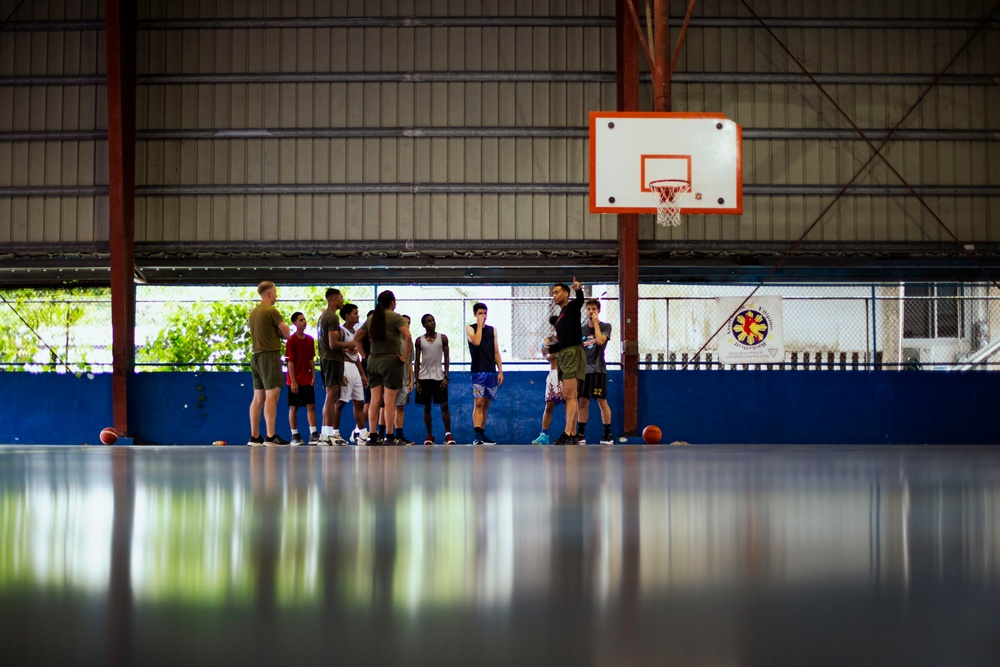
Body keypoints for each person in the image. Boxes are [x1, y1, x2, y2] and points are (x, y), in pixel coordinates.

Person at [354, 291, 412, 446]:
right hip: (390, 361)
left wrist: (365, 355)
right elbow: (408, 337)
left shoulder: (372, 318)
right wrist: (405, 357)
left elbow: (356, 338)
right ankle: (389, 436)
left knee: (375, 400)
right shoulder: (396, 317)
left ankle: (372, 435)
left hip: (373, 361)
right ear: (392, 302)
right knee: (389, 401)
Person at [248, 280, 292, 446]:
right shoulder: (271, 310)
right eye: (275, 292)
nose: (276, 295)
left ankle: (254, 436)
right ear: (269, 294)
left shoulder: (253, 312)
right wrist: (280, 334)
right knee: (272, 395)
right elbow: (287, 333)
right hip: (269, 356)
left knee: (258, 397)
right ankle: (270, 435)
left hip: (256, 357)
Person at [545, 278, 585, 445]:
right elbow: (564, 340)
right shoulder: (561, 316)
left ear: (566, 293)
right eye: (553, 293)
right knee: (571, 395)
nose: (554, 295)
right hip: (564, 353)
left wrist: (579, 290)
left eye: (557, 292)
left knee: (568, 395)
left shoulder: (571, 308)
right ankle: (574, 433)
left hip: (572, 354)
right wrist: (550, 350)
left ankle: (567, 433)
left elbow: (580, 301)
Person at [317, 288, 354, 446]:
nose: (342, 300)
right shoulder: (332, 317)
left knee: (330, 395)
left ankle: (326, 434)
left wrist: (345, 348)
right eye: (340, 297)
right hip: (332, 359)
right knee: (331, 395)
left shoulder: (323, 316)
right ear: (332, 299)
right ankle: (327, 433)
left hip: (328, 358)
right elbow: (333, 344)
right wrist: (351, 343)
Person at [414, 313, 455, 445]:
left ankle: (448, 435)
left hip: (438, 377)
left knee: (444, 405)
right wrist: (416, 381)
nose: (432, 323)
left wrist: (446, 376)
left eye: (433, 320)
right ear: (424, 325)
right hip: (424, 377)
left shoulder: (442, 338)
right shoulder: (419, 341)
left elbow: (447, 357)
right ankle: (430, 435)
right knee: (427, 407)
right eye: (428, 321)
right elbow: (416, 361)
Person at [466, 302, 503, 445]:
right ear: (475, 314)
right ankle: (477, 436)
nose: (483, 316)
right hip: (477, 371)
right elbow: (476, 341)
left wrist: (500, 371)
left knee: (486, 403)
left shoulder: (493, 330)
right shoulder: (470, 328)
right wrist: (480, 325)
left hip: (491, 371)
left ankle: (482, 432)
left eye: (485, 313)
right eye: (480, 313)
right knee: (478, 402)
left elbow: (496, 352)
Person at [579, 298, 614, 445]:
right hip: (584, 371)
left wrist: (596, 324)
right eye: (589, 309)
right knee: (583, 402)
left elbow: (600, 341)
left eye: (594, 309)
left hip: (598, 370)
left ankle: (607, 435)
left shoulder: (606, 326)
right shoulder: (581, 329)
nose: (591, 311)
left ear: (598, 311)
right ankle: (580, 434)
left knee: (601, 401)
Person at [285, 311, 319, 445]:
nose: (303, 322)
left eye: (304, 319)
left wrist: (313, 375)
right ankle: (295, 435)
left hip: (306, 379)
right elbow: (290, 362)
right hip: (295, 380)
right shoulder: (291, 341)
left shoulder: (310, 340)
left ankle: (313, 433)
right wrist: (293, 381)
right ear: (294, 323)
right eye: (300, 320)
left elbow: (311, 359)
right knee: (294, 407)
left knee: (311, 405)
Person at [338, 303, 368, 446]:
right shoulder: (341, 331)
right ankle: (334, 432)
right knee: (341, 402)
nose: (358, 315)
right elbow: (332, 349)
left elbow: (357, 358)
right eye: (355, 313)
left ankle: (362, 434)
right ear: (347, 316)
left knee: (359, 403)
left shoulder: (356, 333)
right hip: (344, 367)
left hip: (355, 368)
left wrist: (363, 375)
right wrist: (345, 351)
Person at [532, 325, 562, 445]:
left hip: (568, 373)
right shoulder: (548, 340)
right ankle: (544, 435)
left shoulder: (570, 339)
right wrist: (560, 351)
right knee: (549, 405)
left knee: (569, 404)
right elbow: (547, 357)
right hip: (554, 374)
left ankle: (571, 433)